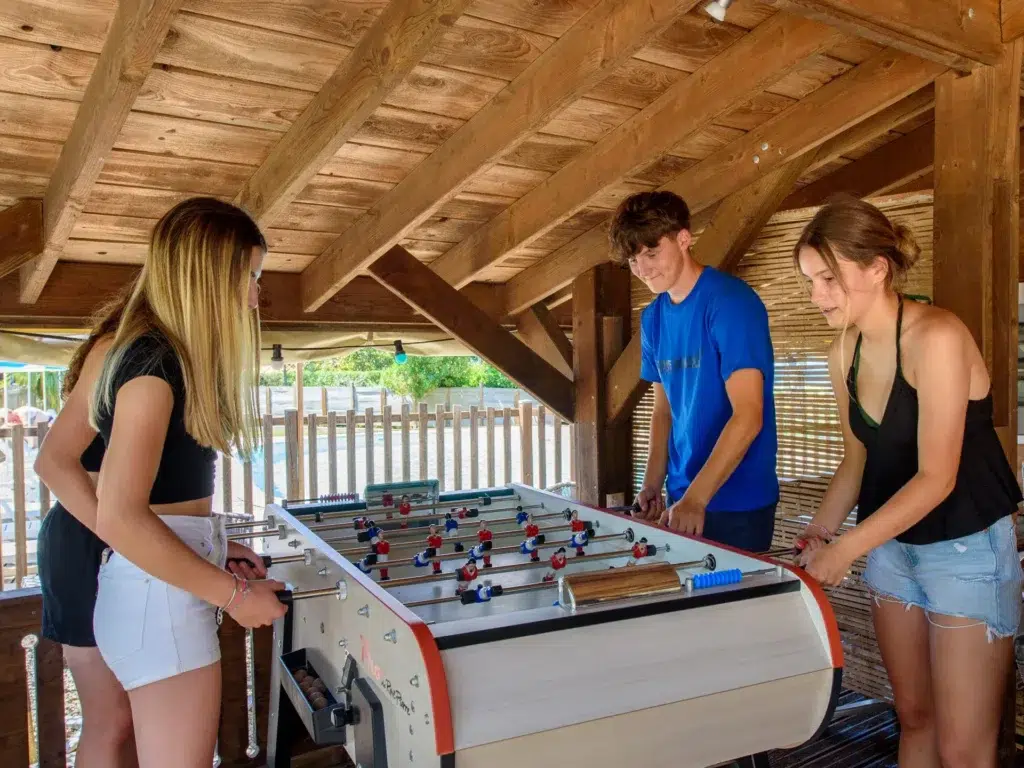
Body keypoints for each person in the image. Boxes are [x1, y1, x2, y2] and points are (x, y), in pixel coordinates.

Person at [793, 194, 1022, 767]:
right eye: (810, 280)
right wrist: (821, 530)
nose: (817, 295)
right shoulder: (842, 349)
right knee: (914, 719)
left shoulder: (937, 337)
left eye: (829, 278)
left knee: (964, 748)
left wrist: (846, 547)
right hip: (892, 547)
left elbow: (937, 477)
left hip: (966, 547)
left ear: (877, 268)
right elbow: (856, 457)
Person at [86, 197, 288, 768]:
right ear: (207, 276)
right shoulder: (155, 367)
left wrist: (217, 551)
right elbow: (120, 516)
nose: (254, 295)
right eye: (248, 277)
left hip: (157, 591)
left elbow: (162, 509)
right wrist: (236, 597)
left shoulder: (160, 354)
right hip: (159, 603)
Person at [609, 190, 779, 552]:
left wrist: (697, 499)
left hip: (739, 501)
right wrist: (653, 484)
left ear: (683, 239)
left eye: (652, 253)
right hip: (682, 498)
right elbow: (663, 411)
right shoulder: (653, 318)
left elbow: (748, 416)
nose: (643, 269)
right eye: (633, 260)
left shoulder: (731, 303)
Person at [35, 292, 137, 767]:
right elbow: (52, 462)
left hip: (118, 538)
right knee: (111, 716)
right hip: (84, 539)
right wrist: (129, 538)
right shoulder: (118, 349)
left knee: (139, 711)